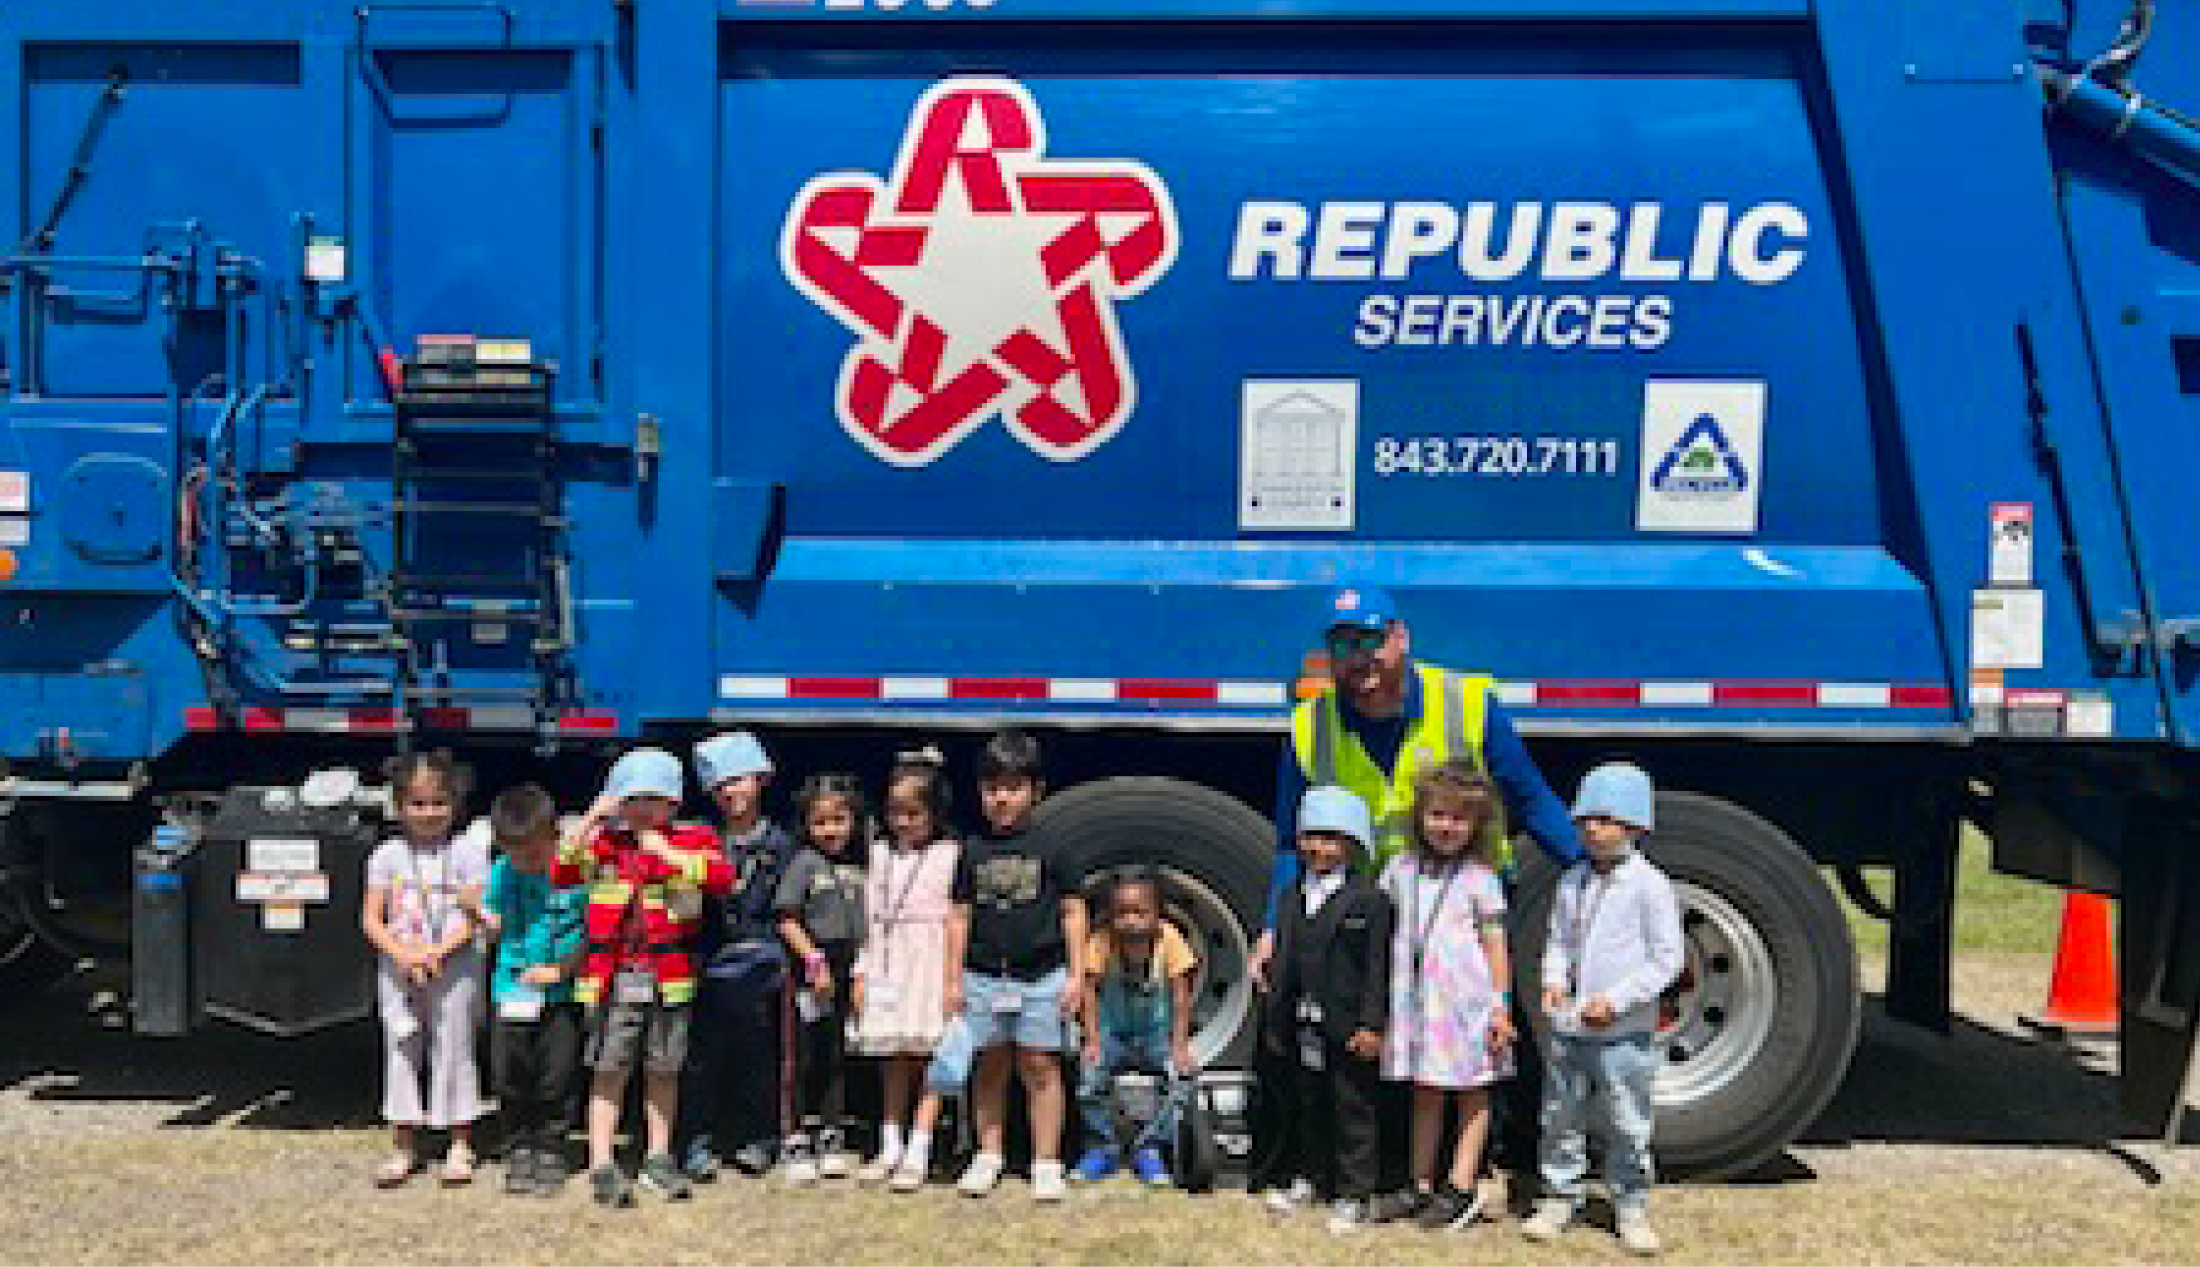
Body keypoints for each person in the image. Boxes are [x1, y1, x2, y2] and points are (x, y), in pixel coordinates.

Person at [1251, 584, 1582, 1174]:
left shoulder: (1469, 704)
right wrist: (1273, 929)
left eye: (1372, 642)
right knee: (1386, 1039)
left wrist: (1592, 873)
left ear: (1400, 638)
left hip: (1461, 914)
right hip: (1371, 917)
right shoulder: (1311, 725)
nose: (1360, 662)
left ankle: (1472, 1166)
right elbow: (1286, 843)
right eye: (1344, 646)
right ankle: (1395, 1168)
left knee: (1471, 1041)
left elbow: (1531, 802)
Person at [555, 747, 734, 1208]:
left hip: (670, 980)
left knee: (663, 1069)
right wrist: (593, 817)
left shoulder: (694, 839)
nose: (641, 809)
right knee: (609, 1069)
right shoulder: (604, 844)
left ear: (673, 802)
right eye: (630, 799)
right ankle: (601, 1160)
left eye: (653, 800)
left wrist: (669, 854)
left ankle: (657, 1156)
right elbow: (562, 870)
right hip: (613, 979)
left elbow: (720, 878)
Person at [1522, 762, 1683, 1257]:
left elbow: (1667, 959)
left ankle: (1630, 1203)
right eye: (1586, 818)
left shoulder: (1649, 886)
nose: (1593, 829)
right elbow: (1559, 942)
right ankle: (1559, 1195)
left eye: (1607, 819)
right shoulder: (1572, 881)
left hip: (1625, 1033)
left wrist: (1615, 1002)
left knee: (1627, 1120)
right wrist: (1553, 983)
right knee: (1560, 1115)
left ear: (1635, 827)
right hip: (1572, 1027)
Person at [945, 729, 1087, 1202]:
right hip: (984, 975)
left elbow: (1072, 911)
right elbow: (960, 915)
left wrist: (1078, 974)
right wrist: (952, 979)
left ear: (1035, 791)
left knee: (1040, 1065)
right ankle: (988, 1154)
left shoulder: (1056, 845)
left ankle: (1046, 1161)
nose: (1001, 798)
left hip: (1041, 976)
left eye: (1013, 787)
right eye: (991, 788)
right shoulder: (972, 849)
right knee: (989, 1065)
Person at [1378, 761, 1515, 1229]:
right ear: (1420, 815)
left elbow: (1496, 945)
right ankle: (1418, 1184)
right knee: (1426, 1090)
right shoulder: (1400, 871)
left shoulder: (1481, 878)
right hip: (1418, 1005)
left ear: (1476, 825)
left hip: (1466, 1005)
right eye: (1438, 814)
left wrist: (1502, 1007)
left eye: (1459, 819)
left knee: (1474, 1092)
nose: (1446, 827)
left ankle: (1460, 1185)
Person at [1261, 786, 1394, 1235]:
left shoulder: (1370, 901)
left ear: (1353, 843)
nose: (1319, 848)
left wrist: (1373, 1024)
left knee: (1352, 1108)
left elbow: (1378, 969)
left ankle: (1355, 1192)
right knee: (1308, 1103)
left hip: (1348, 1025)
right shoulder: (1291, 896)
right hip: (1302, 1021)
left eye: (1332, 838)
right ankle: (1310, 1178)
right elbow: (1285, 958)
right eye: (1310, 836)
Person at [362, 749, 491, 1189]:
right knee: (401, 1046)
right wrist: (403, 954)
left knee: (455, 1045)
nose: (429, 813)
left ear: (455, 805)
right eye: (417, 803)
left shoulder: (469, 851)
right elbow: (370, 918)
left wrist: (437, 951)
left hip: (455, 963)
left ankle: (459, 1142)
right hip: (399, 965)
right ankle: (403, 1144)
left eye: (439, 802)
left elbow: (477, 913)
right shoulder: (386, 855)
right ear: (398, 807)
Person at [677, 730, 796, 1181]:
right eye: (719, 785)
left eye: (739, 779)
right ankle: (698, 1141)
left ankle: (759, 1138)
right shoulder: (698, 841)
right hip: (708, 960)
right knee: (702, 1057)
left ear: (761, 780)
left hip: (764, 963)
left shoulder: (784, 845)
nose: (730, 792)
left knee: (761, 1056)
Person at [852, 747, 962, 1189]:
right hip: (888, 960)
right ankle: (890, 1141)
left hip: (930, 961)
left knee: (931, 1054)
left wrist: (954, 977)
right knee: (892, 1056)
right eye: (896, 812)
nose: (904, 822)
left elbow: (957, 919)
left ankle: (921, 1144)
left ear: (934, 812)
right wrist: (861, 971)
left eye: (914, 813)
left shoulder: (951, 855)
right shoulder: (879, 854)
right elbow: (869, 915)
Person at [480, 783, 588, 1197]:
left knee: (556, 1074)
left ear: (554, 837)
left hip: (560, 994)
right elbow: (493, 917)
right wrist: (479, 914)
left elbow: (592, 930)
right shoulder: (502, 871)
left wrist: (562, 969)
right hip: (511, 990)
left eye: (535, 854)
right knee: (510, 1074)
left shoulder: (575, 873)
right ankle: (517, 1146)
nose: (526, 863)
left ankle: (551, 1148)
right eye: (515, 854)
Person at [1072, 869, 1198, 1188]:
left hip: (1156, 1032)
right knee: (1088, 1076)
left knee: (1182, 1078)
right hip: (1113, 1030)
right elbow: (1089, 990)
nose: (1131, 921)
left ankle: (1151, 1147)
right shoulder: (1102, 942)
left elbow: (1182, 995)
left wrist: (1180, 1044)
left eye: (1141, 913)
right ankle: (1103, 1146)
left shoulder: (1170, 940)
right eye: (1122, 914)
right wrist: (1093, 1039)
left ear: (1158, 914)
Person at [775, 772, 870, 1185]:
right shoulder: (803, 864)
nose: (831, 831)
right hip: (809, 970)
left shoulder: (860, 865)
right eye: (821, 822)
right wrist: (814, 962)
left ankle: (832, 1131)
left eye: (839, 820)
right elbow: (787, 919)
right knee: (801, 1056)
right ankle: (795, 1136)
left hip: (848, 967)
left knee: (835, 1053)